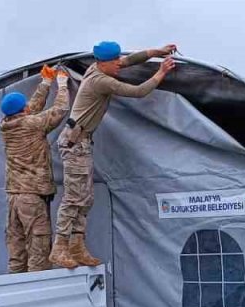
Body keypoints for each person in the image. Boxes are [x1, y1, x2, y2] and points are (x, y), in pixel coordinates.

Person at [51, 41, 177, 269]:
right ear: (103, 63)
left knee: (85, 197)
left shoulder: (97, 68)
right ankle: (59, 247)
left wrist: (157, 51)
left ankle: (77, 245)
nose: (120, 64)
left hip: (81, 141)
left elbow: (131, 59)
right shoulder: (100, 81)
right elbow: (138, 92)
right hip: (74, 142)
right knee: (73, 197)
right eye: (115, 61)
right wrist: (161, 72)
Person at [0, 64, 71, 273]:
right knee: (38, 253)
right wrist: (62, 84)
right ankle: (37, 297)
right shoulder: (32, 124)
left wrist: (45, 83)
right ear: (22, 111)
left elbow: (30, 108)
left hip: (13, 197)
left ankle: (16, 296)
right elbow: (60, 110)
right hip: (32, 197)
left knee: (17, 254)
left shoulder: (5, 125)